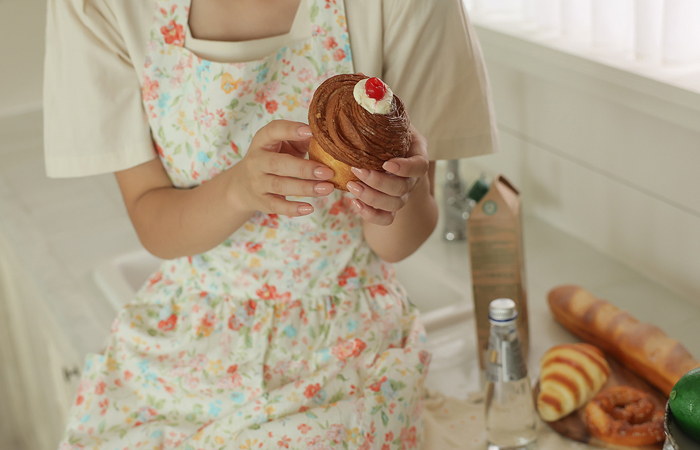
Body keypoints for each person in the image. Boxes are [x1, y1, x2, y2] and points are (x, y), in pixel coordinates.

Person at [44, 0, 498, 448]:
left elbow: (398, 243)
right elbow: (153, 223)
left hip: (345, 347)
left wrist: (399, 191)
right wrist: (237, 190)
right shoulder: (94, 7)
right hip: (188, 345)